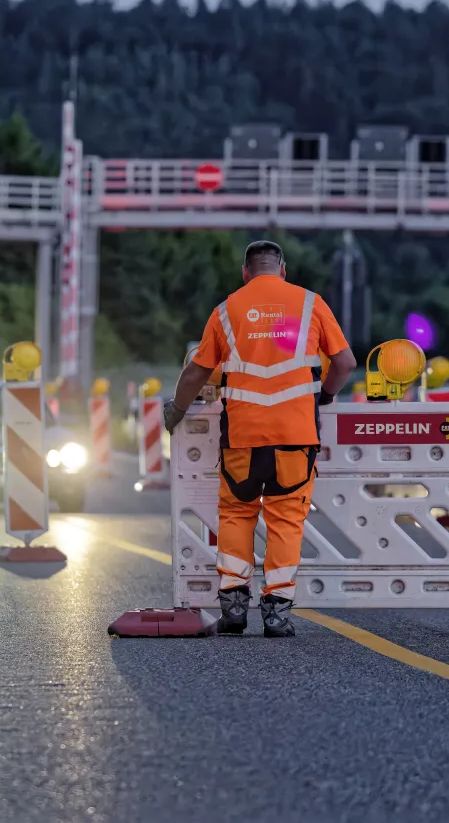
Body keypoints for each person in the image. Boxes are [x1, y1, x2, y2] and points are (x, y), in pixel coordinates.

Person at [163, 240, 356, 637]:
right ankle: (277, 614)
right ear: (282, 270)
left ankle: (234, 607)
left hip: (243, 435)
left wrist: (177, 410)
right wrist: (326, 395)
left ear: (245, 272)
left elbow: (198, 371)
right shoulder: (309, 304)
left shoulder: (227, 309)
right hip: (296, 434)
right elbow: (345, 362)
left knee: (236, 514)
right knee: (286, 517)